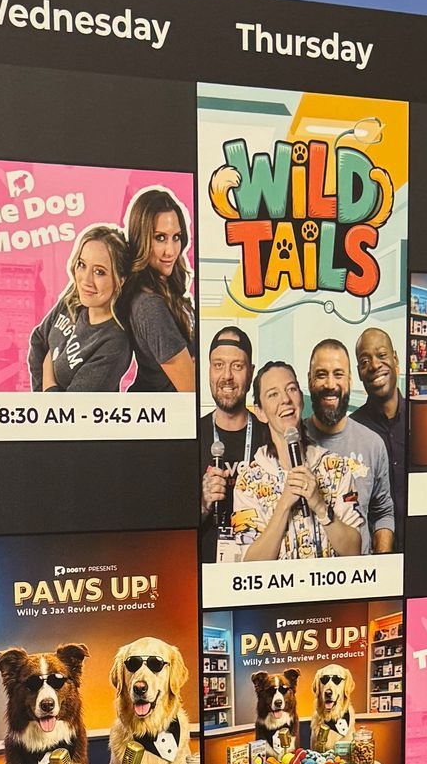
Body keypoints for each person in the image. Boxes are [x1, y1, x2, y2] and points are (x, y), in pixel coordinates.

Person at [234, 362, 338, 563]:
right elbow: (249, 565)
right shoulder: (247, 482)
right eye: (273, 394)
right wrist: (283, 505)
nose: (285, 399)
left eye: (291, 389)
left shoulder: (334, 465)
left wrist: (319, 505)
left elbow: (355, 550)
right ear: (260, 412)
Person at [303, 338, 396, 554]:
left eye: (338, 374)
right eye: (321, 375)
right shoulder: (289, 443)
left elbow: (383, 512)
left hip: (358, 577)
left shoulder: (372, 444)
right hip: (306, 579)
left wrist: (380, 562)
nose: (330, 385)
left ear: (350, 380)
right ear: (309, 380)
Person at [26, 228, 133, 393]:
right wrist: (44, 401)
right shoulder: (76, 297)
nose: (85, 280)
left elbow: (70, 412)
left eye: (99, 272)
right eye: (82, 265)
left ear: (120, 280)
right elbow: (38, 340)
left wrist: (48, 370)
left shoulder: (114, 343)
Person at [118, 188, 196, 395]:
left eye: (176, 237)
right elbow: (191, 390)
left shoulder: (165, 287)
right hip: (165, 418)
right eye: (160, 238)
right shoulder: (149, 305)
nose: (170, 251)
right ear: (141, 239)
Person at [199, 324, 262, 551]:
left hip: (257, 571)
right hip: (205, 574)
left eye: (237, 366)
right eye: (218, 365)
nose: (226, 376)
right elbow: (168, 522)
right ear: (208, 370)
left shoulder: (270, 437)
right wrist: (203, 503)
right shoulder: (190, 437)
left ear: (251, 372)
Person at [352, 324, 406, 492]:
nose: (375, 365)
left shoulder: (420, 419)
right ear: (359, 372)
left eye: (382, 355)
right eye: (365, 362)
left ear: (395, 359)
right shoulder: (351, 430)